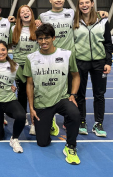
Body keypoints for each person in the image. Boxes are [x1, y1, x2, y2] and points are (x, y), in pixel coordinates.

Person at [24, 23, 81, 165]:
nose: (43, 42)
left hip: (61, 99)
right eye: (40, 38)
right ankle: (50, 124)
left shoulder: (66, 54)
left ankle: (71, 146)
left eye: (47, 38)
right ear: (37, 40)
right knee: (42, 143)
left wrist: (73, 94)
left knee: (74, 113)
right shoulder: (31, 58)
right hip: (42, 102)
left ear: (54, 38)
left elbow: (76, 76)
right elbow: (29, 84)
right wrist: (31, 108)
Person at [73, 0, 112, 137]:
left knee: (99, 94)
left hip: (99, 62)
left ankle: (98, 123)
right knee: (79, 94)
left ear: (92, 4)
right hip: (80, 62)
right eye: (81, 3)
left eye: (87, 2)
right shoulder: (74, 21)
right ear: (78, 5)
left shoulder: (102, 21)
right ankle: (82, 121)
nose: (84, 5)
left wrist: (108, 62)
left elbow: (108, 42)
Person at [0, 40, 26, 153]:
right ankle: (0, 120)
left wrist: (14, 86)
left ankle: (14, 138)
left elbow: (25, 81)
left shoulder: (15, 66)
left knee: (21, 115)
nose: (0, 52)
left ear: (7, 51)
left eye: (3, 49)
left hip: (9, 100)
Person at [10, 5, 38, 132]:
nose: (25, 13)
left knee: (35, 93)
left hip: (34, 65)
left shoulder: (38, 28)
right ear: (19, 16)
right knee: (21, 93)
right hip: (19, 65)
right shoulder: (13, 28)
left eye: (28, 11)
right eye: (22, 12)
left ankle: (34, 121)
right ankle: (23, 116)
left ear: (31, 13)